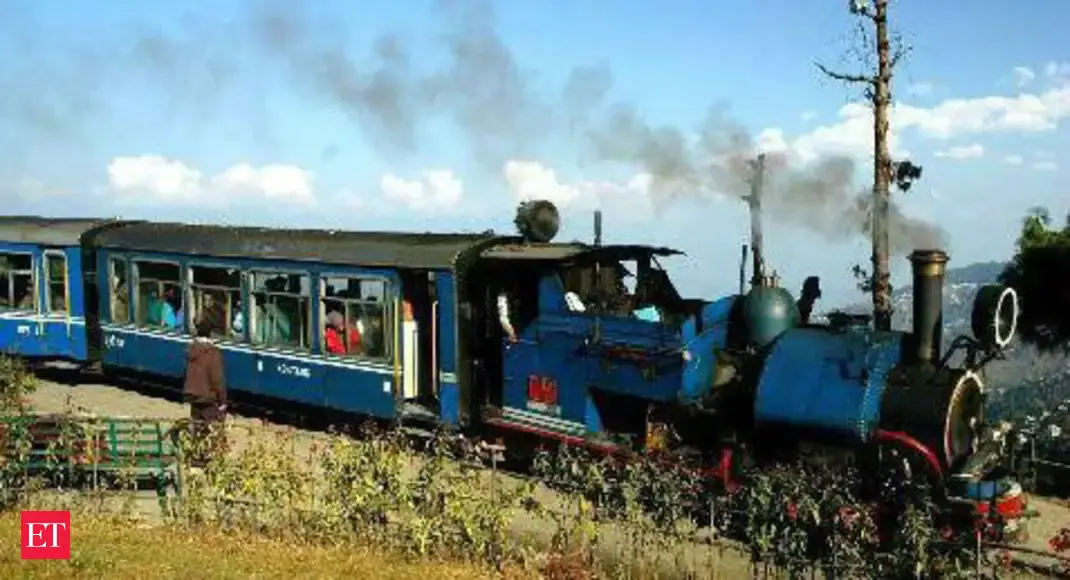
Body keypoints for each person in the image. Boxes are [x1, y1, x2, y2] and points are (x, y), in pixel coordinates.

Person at [182, 318, 228, 468]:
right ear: (211, 334)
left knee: (197, 427)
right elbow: (217, 379)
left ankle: (197, 457)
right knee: (213, 427)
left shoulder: (191, 350)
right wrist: (223, 400)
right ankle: (211, 458)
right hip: (209, 396)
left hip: (193, 395)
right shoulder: (212, 353)